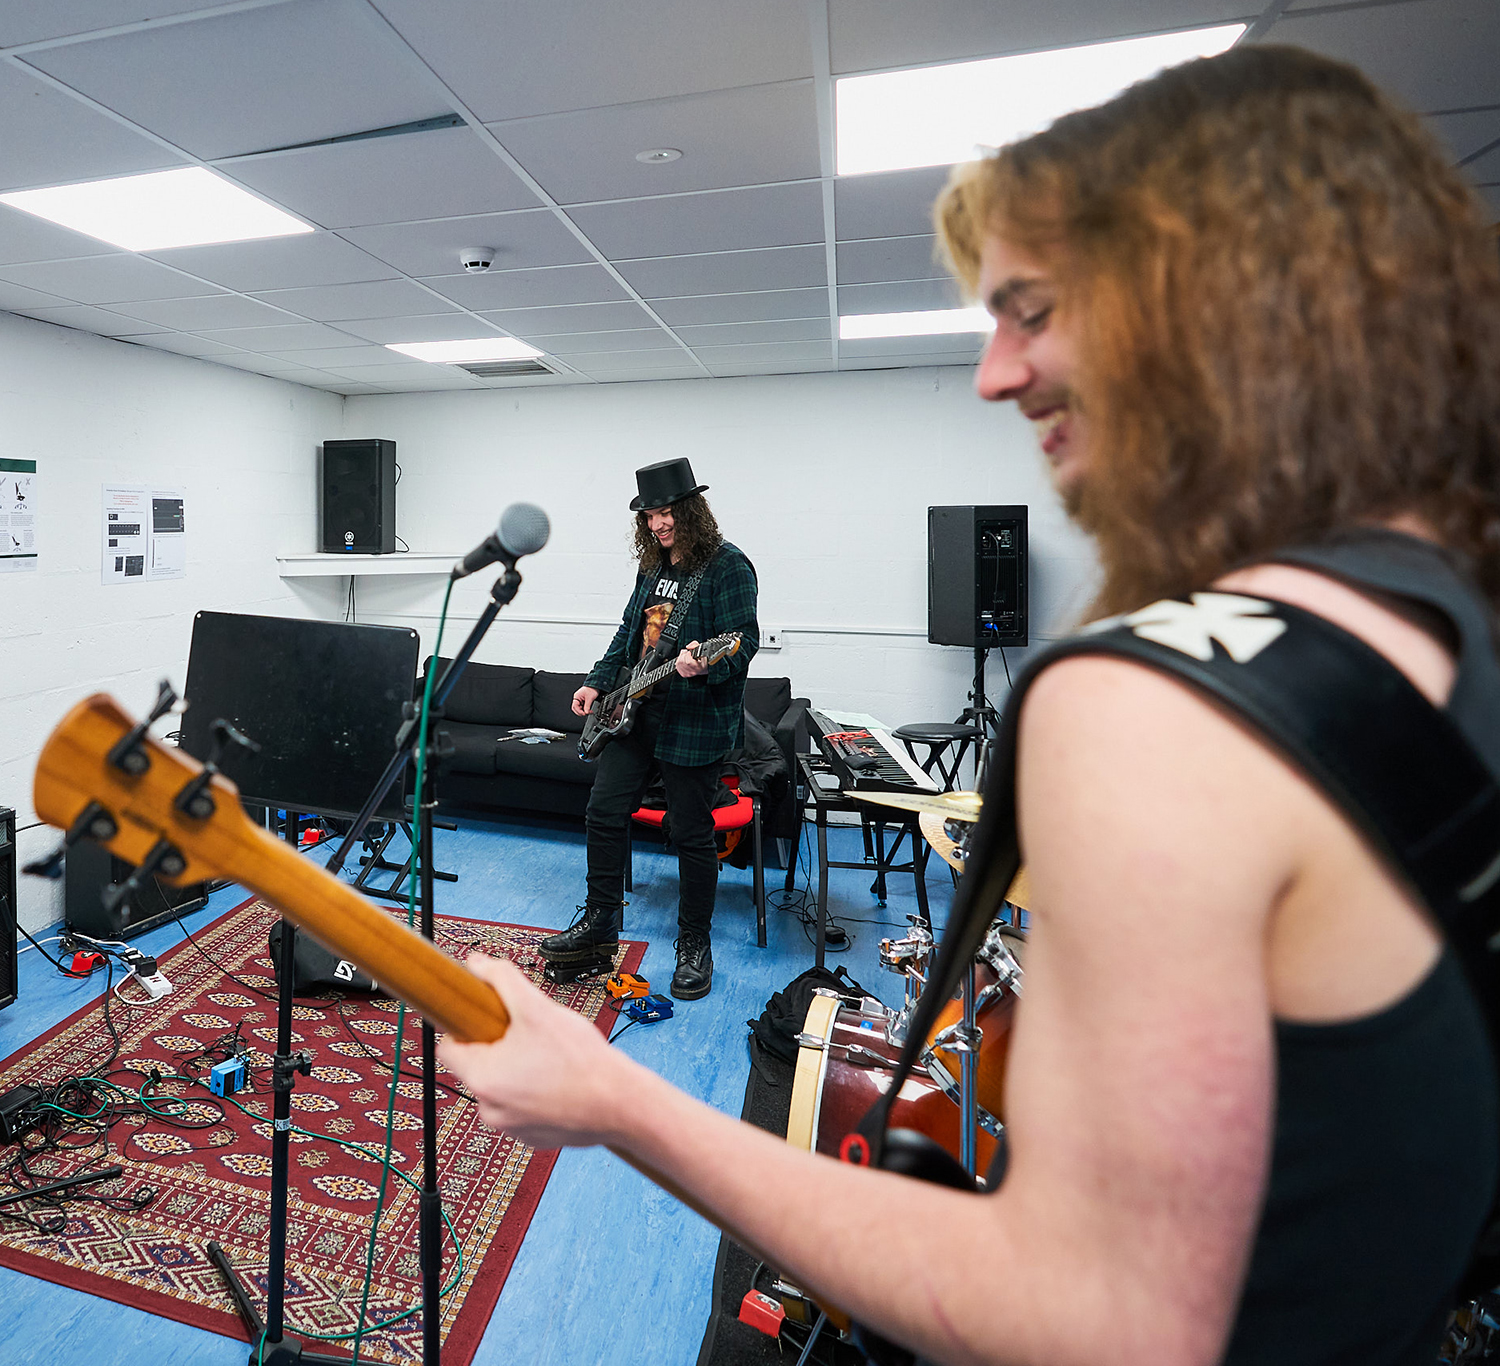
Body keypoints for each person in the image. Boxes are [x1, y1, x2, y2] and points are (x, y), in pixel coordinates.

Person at [443, 45, 1500, 1364]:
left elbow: (1095, 1314)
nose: (995, 373)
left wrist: (617, 1102)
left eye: (1034, 308)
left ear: (1222, 297)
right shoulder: (1442, 612)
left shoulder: (1152, 711)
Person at [540, 456, 758, 1000]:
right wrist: (598, 681)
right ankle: (601, 923)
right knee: (603, 812)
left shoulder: (728, 566)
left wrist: (708, 662)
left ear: (692, 512)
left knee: (691, 833)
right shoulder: (652, 568)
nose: (659, 524)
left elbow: (744, 640)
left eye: (668, 514)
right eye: (651, 515)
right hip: (631, 713)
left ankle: (693, 943)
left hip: (693, 721)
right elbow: (628, 632)